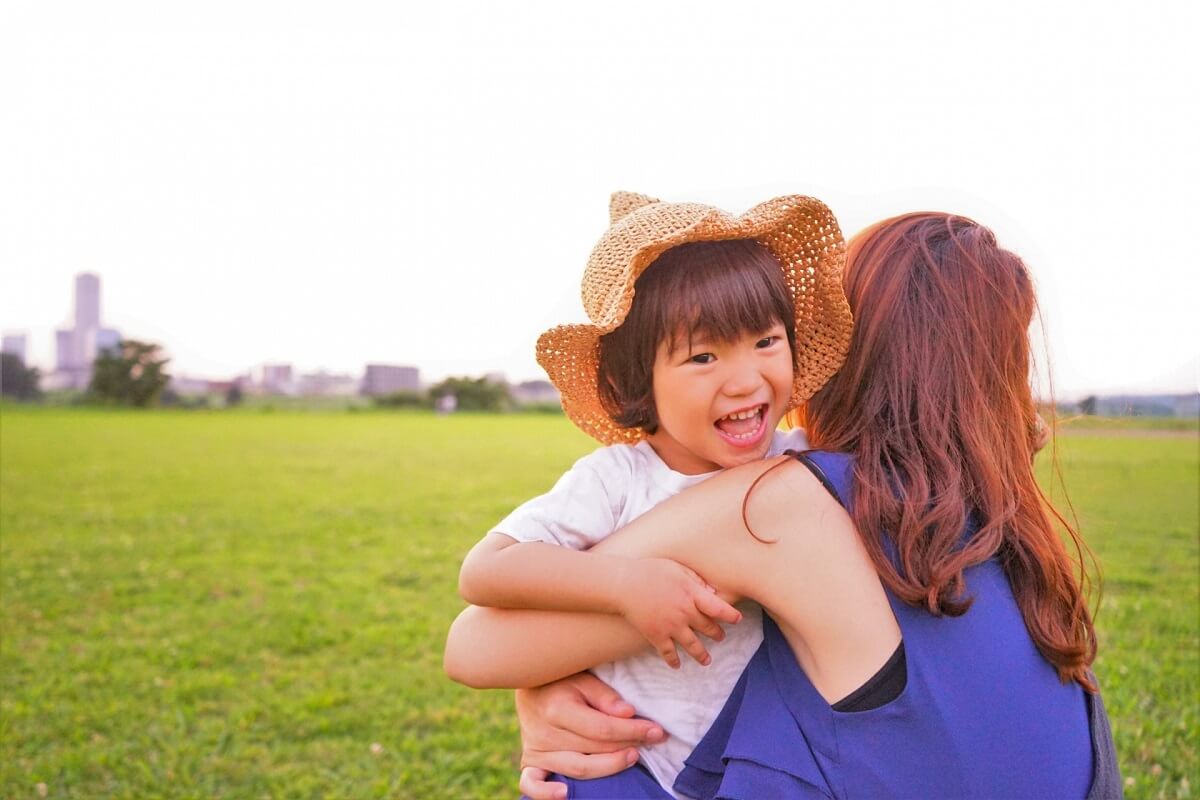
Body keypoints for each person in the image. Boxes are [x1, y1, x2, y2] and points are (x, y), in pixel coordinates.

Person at [446, 212, 1121, 799]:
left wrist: (541, 688)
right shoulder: (1008, 528)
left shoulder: (781, 504)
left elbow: (477, 644)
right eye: (705, 354)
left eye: (770, 339)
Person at [448, 191, 853, 796]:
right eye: (703, 356)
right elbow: (486, 570)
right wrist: (626, 585)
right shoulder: (618, 480)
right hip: (624, 762)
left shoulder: (798, 467)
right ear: (637, 381)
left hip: (759, 763)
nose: (745, 379)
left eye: (767, 341)